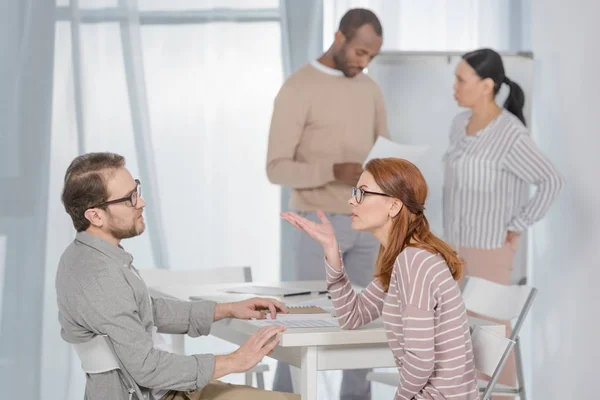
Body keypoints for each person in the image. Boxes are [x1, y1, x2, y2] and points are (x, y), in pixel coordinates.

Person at [56, 152, 300, 400]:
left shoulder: (87, 256)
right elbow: (147, 368)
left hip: (163, 391)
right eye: (129, 198)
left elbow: (148, 311)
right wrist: (234, 361)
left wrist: (227, 309)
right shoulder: (100, 278)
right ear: (95, 215)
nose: (141, 203)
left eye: (136, 190)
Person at [281, 158, 479, 400]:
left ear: (394, 206)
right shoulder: (402, 259)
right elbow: (352, 317)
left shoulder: (413, 262)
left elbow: (420, 362)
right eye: (355, 192)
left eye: (362, 193)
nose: (351, 200)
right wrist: (331, 248)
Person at [266, 8, 388, 398]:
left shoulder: (369, 88)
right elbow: (276, 168)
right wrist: (333, 170)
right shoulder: (298, 87)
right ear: (339, 38)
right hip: (317, 224)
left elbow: (383, 149)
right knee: (304, 325)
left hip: (367, 223)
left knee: (366, 326)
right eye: (360, 53)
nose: (364, 62)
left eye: (372, 56)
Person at [444, 48, 564, 397]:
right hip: (453, 248)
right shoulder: (458, 125)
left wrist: (517, 225)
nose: (454, 86)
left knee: (490, 338)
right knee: (456, 337)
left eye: (460, 80)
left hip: (489, 249)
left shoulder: (510, 134)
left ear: (486, 86)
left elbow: (550, 181)